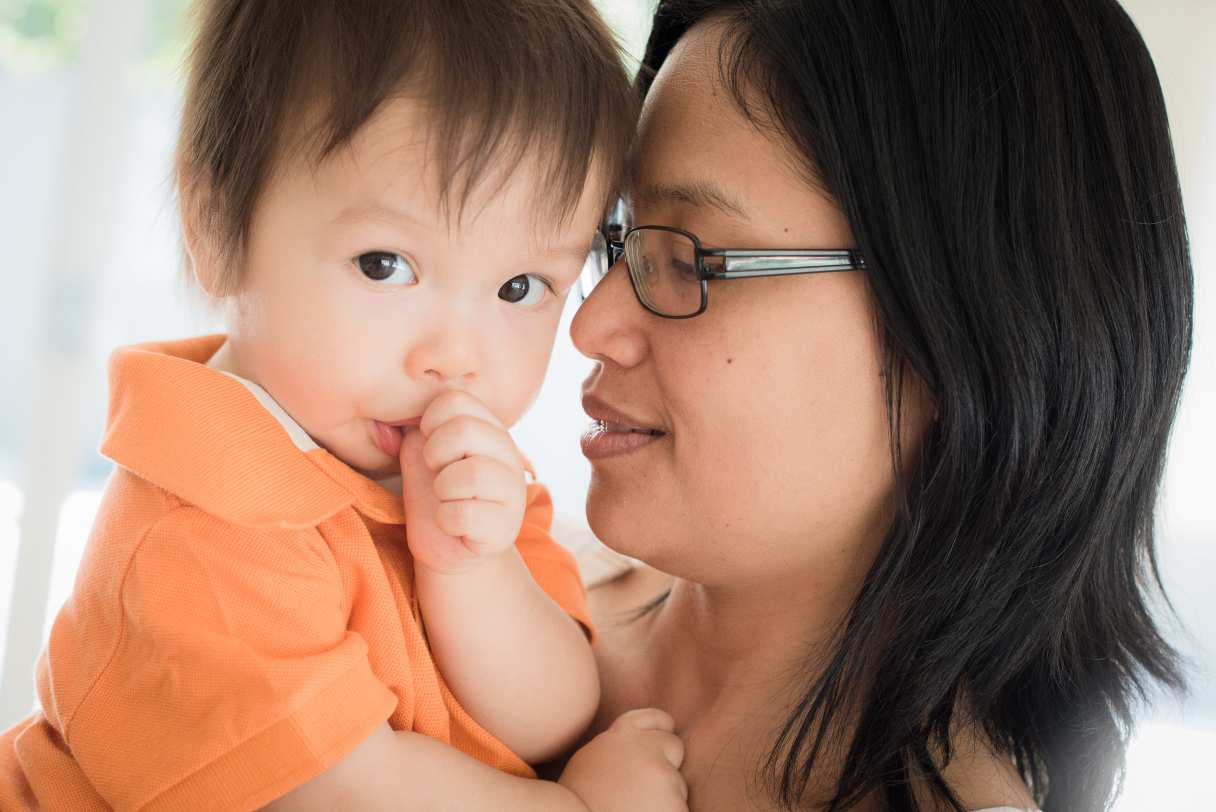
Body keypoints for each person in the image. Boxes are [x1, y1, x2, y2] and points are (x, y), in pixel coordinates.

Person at [0, 1, 689, 810]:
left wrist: (470, 566)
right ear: (218, 227)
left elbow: (550, 719)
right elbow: (333, 791)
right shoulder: (193, 527)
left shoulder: (470, 480)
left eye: (518, 287)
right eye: (385, 265)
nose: (455, 356)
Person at [570, 0, 1193, 810]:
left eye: (690, 260)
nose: (590, 324)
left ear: (960, 331)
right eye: (621, 237)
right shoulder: (484, 601)